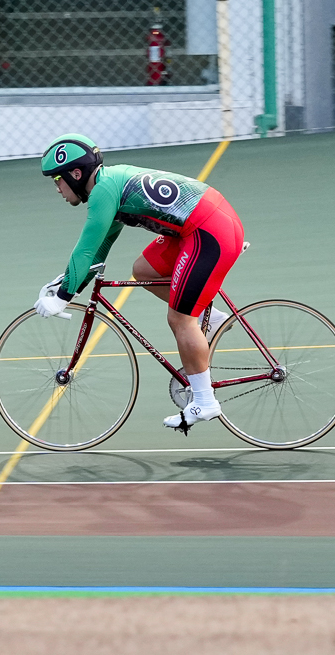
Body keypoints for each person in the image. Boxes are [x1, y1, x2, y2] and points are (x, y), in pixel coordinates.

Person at [34, 134, 245, 434]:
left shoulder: (103, 192)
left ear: (76, 174)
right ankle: (212, 322)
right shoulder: (109, 184)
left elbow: (85, 248)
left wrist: (64, 295)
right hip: (208, 222)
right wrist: (68, 285)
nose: (56, 187)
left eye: (57, 179)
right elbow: (99, 249)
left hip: (208, 231)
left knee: (180, 318)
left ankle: (204, 400)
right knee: (143, 269)